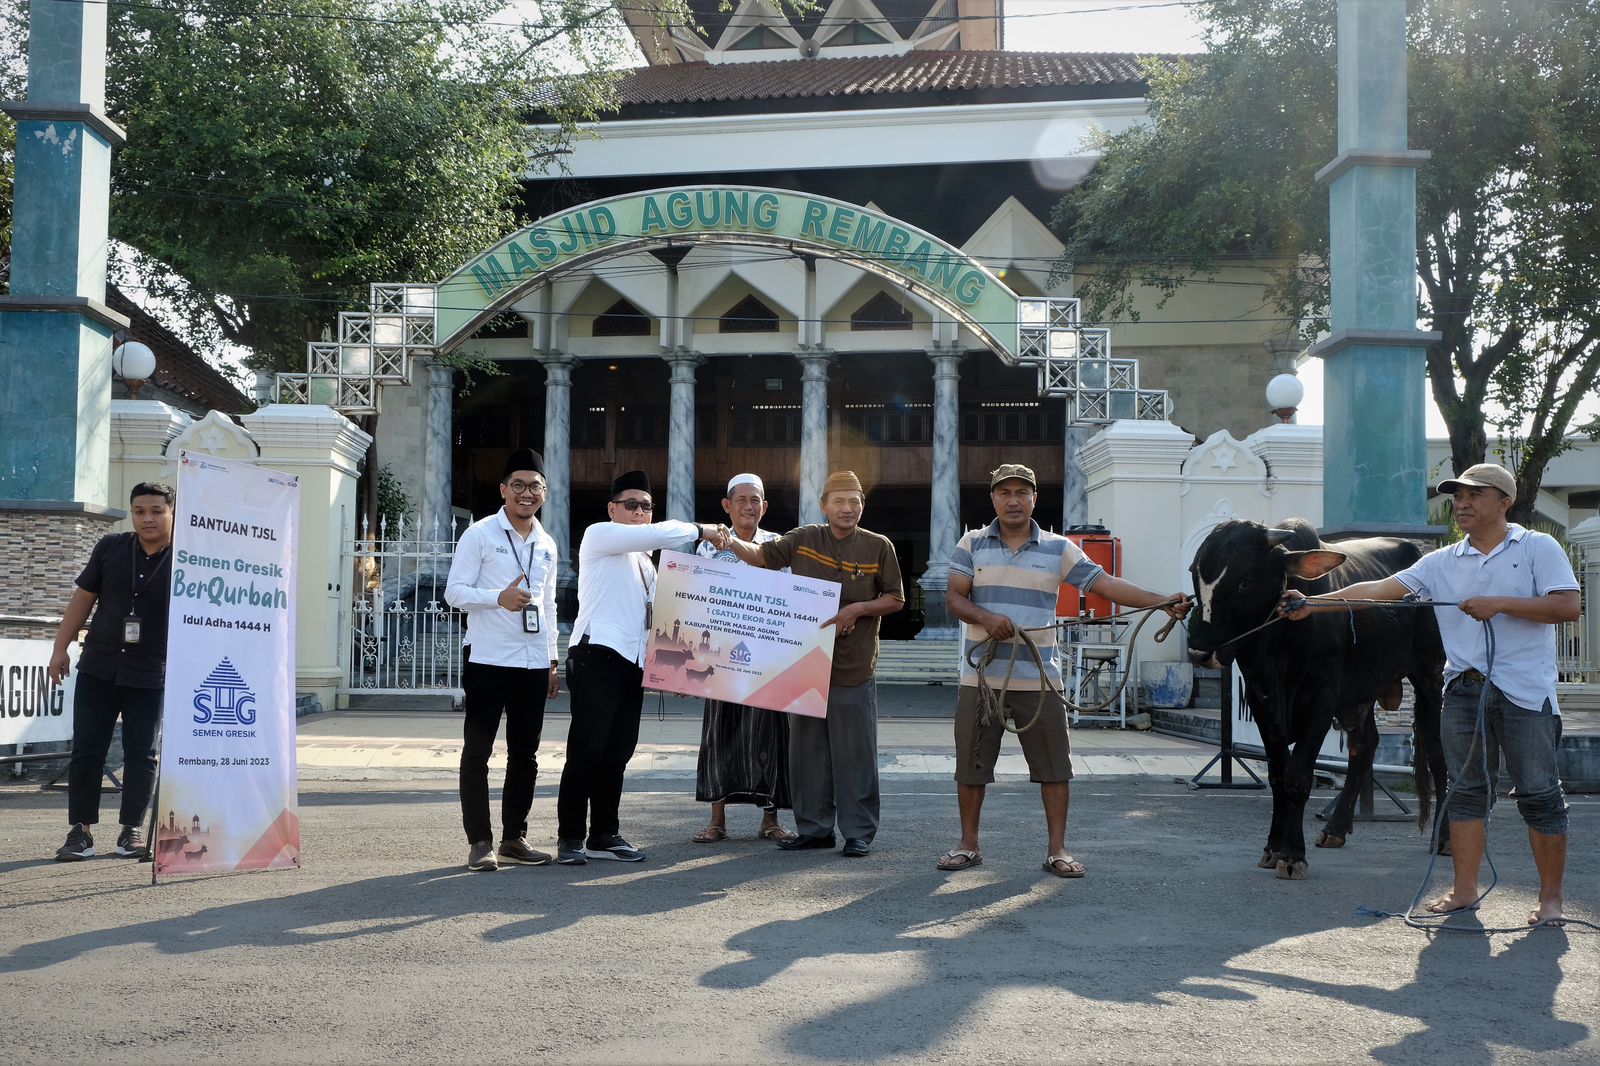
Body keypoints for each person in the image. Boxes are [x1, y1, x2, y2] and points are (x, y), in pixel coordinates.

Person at [1281, 463, 1579, 926]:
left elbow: (1567, 605)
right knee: (1465, 793)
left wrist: (1501, 603)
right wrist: (1314, 603)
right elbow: (1380, 589)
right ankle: (1463, 892)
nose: (1461, 503)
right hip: (1462, 691)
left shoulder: (1538, 547)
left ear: (1504, 502)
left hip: (1525, 691)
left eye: (1474, 495)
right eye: (1456, 495)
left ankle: (1551, 901)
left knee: (1539, 795)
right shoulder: (1442, 561)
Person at [939, 464, 1190, 877]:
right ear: (994, 499)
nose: (1014, 500)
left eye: (1023, 492)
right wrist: (987, 617)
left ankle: (1057, 850)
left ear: (1035, 498)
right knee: (971, 765)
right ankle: (968, 845)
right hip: (980, 681)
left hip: (1040, 680)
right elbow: (954, 598)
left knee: (1055, 769)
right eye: (1005, 493)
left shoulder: (1058, 548)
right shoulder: (972, 542)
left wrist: (1160, 600)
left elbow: (1102, 583)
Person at [722, 470, 903, 858]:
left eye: (854, 501)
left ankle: (857, 832)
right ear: (824, 506)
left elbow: (895, 598)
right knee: (807, 754)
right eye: (838, 501)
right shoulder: (803, 539)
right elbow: (763, 558)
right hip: (803, 664)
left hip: (853, 669)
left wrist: (859, 608)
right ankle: (815, 829)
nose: (847, 508)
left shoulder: (878, 546)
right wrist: (729, 541)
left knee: (855, 754)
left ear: (862, 506)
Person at [557, 470, 729, 865]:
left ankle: (604, 834)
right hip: (597, 654)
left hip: (633, 663)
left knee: (617, 753)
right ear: (612, 509)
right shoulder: (599, 535)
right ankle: (570, 838)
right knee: (586, 751)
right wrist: (702, 529)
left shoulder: (649, 565)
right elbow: (662, 535)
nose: (638, 512)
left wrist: (679, 670)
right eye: (630, 505)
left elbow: (659, 622)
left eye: (646, 506)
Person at [46, 482, 177, 861]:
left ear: (171, 512)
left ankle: (130, 831)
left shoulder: (188, 558)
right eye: (139, 511)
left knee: (143, 754)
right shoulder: (110, 548)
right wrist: (60, 648)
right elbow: (83, 599)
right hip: (98, 666)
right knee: (87, 750)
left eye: (156, 510)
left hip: (151, 671)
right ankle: (80, 832)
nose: (147, 518)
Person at [444, 449, 561, 872]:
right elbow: (453, 593)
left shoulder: (546, 543)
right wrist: (498, 598)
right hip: (488, 660)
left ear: (544, 492)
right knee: (477, 753)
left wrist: (551, 659)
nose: (526, 493)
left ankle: (514, 837)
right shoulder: (479, 534)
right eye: (518, 485)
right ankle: (479, 842)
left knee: (525, 756)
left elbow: (547, 606)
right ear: (503, 490)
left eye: (535, 486)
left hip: (532, 664)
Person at [690, 474, 797, 844]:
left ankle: (770, 820)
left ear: (764, 507)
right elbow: (696, 600)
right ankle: (717, 821)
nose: (749, 506)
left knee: (770, 738)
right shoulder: (708, 547)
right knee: (719, 736)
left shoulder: (778, 544)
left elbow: (788, 600)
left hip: (766, 657)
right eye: (742, 500)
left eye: (756, 500)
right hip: (719, 656)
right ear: (727, 506)